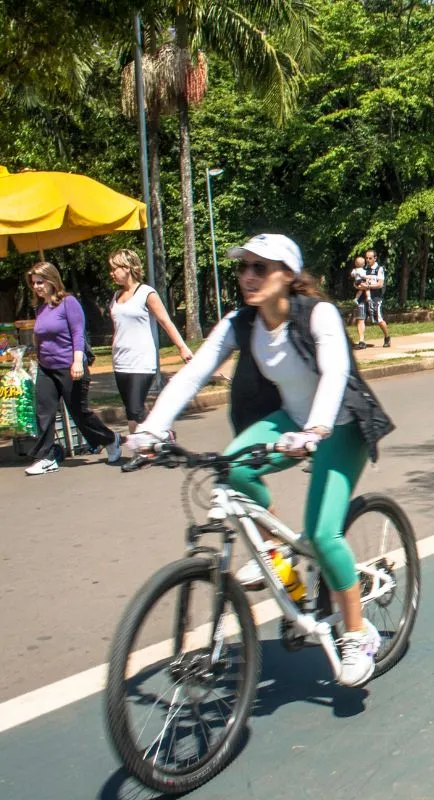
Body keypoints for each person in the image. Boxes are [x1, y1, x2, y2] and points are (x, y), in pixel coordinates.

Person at [126, 234, 395, 687]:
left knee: (324, 534)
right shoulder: (241, 322)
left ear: (287, 275)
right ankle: (278, 551)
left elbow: (335, 373)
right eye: (243, 267)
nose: (247, 276)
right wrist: (152, 429)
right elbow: (194, 372)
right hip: (290, 419)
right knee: (229, 469)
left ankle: (356, 633)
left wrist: (316, 431)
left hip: (340, 424)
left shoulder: (319, 314)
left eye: (259, 268)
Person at [23, 262, 122, 476]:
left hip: (70, 366)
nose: (37, 287)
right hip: (46, 367)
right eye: (34, 284)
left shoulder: (68, 303)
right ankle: (47, 458)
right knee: (44, 412)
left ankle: (110, 439)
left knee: (79, 412)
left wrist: (78, 361)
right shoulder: (40, 308)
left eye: (40, 282)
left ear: (52, 280)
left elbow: (78, 333)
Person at [107, 249, 194, 469]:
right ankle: (146, 447)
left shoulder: (146, 293)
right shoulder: (116, 297)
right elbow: (118, 328)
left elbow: (166, 322)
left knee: (137, 408)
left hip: (142, 360)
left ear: (128, 268)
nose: (112, 273)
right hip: (120, 360)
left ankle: (156, 441)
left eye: (115, 268)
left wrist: (182, 349)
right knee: (130, 409)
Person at [353, 250, 390, 350]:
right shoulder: (363, 269)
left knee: (378, 320)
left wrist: (368, 286)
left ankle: (387, 337)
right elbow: (356, 282)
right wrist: (359, 286)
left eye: (370, 258)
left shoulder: (379, 269)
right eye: (366, 258)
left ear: (375, 258)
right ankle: (361, 341)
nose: (368, 260)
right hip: (362, 298)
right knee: (360, 318)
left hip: (375, 298)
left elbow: (380, 284)